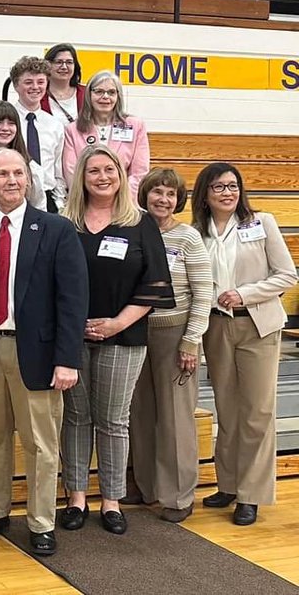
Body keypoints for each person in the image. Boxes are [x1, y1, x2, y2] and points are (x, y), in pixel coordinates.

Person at [0, 148, 88, 557]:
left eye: (17, 173)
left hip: (41, 355)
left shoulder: (55, 229)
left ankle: (41, 521)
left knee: (41, 444)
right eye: (1, 174)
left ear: (28, 180)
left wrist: (67, 359)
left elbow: (72, 300)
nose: (11, 180)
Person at [59, 143, 174, 535]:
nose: (102, 177)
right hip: (71, 338)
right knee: (75, 418)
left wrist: (115, 324)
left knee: (112, 420)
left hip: (124, 337)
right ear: (82, 178)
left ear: (121, 176)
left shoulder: (140, 223)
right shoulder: (65, 223)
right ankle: (76, 497)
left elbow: (155, 284)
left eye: (109, 170)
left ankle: (111, 501)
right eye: (94, 171)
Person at [194, 162, 297, 526]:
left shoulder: (262, 222)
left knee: (256, 411)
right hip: (216, 328)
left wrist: (245, 294)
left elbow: (287, 275)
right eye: (219, 187)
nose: (227, 192)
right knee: (227, 408)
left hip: (258, 326)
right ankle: (229, 483)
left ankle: (251, 494)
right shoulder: (197, 232)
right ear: (205, 194)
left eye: (233, 185)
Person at [127, 168, 212, 523]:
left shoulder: (188, 237)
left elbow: (204, 292)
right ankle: (146, 487)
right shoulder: (131, 230)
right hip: (134, 331)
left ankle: (178, 495)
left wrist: (191, 341)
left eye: (171, 194)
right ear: (144, 194)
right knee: (139, 413)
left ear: (179, 200)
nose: (163, 199)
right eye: (157, 192)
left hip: (175, 334)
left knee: (176, 417)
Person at [63, 70, 151, 197]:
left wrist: (122, 199)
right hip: (86, 202)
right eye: (99, 92)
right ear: (89, 95)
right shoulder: (72, 130)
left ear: (118, 96)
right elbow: (72, 172)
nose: (105, 97)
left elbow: (139, 172)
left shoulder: (135, 126)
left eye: (111, 92)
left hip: (125, 201)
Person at [9, 56, 66, 213]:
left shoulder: (55, 125)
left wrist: (60, 203)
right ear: (16, 85)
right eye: (28, 82)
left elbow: (58, 169)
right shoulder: (6, 121)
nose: (35, 87)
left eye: (40, 82)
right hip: (14, 196)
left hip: (47, 199)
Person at [42, 43, 86, 127]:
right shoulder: (38, 95)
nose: (64, 67)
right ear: (47, 65)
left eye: (69, 62)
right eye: (59, 62)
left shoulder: (87, 93)